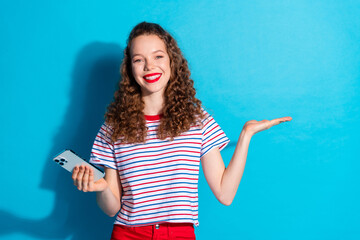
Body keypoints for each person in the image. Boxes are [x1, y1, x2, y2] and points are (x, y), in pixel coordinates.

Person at [71, 22, 292, 240]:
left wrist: (245, 136)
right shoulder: (113, 126)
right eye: (139, 60)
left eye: (158, 56)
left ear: (171, 60)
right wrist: (101, 187)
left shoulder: (197, 120)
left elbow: (225, 194)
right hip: (129, 234)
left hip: (179, 234)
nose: (149, 66)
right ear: (130, 68)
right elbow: (111, 208)